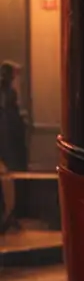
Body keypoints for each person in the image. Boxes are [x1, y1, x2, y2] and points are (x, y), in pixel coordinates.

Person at [0, 63, 27, 232]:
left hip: (8, 142)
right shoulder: (8, 95)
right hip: (7, 143)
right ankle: (7, 215)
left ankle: (8, 215)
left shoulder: (8, 94)